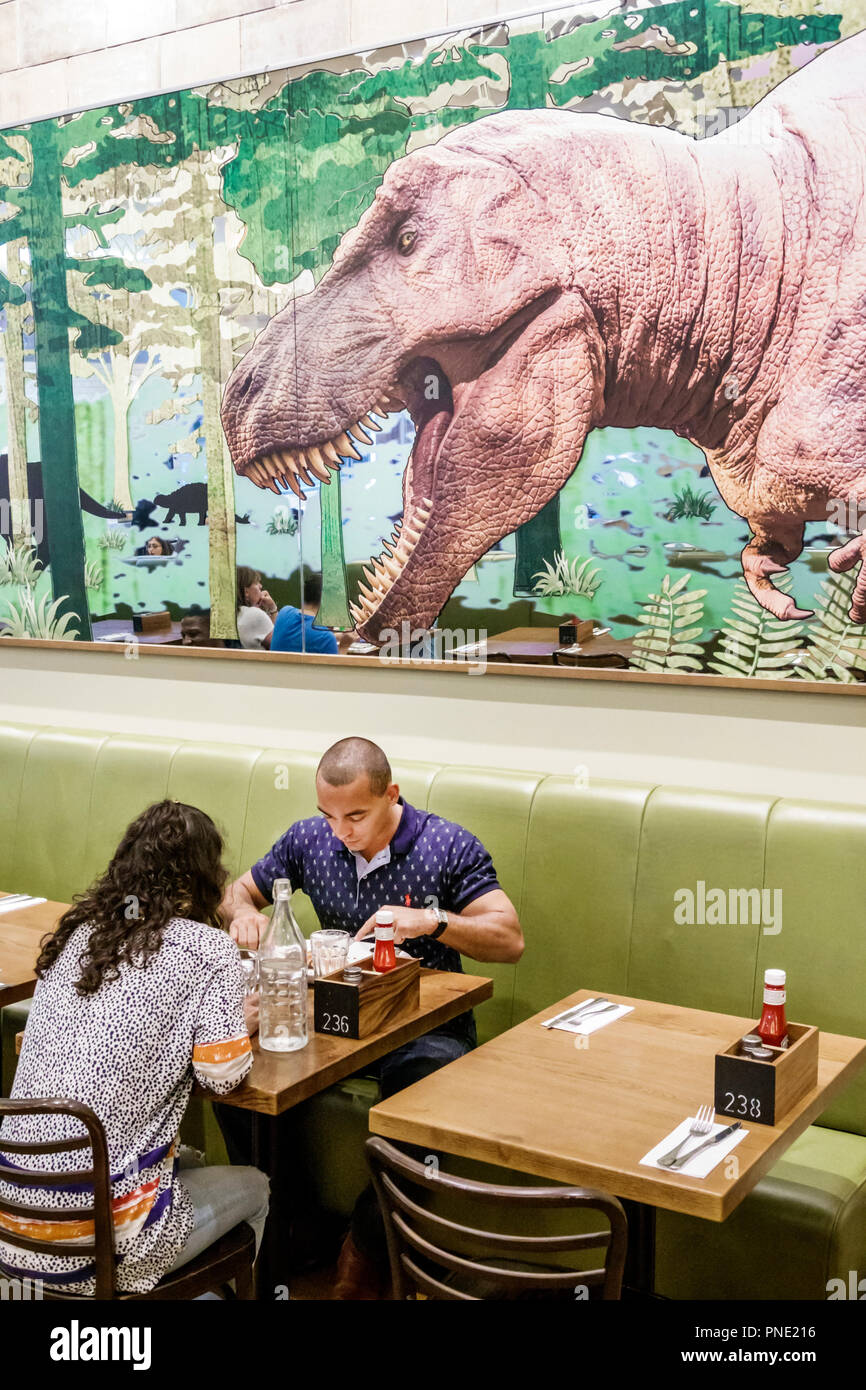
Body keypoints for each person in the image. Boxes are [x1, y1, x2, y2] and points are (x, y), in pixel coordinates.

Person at [221, 736, 523, 1297]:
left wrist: (429, 920)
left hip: (424, 1023)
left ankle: (365, 1241)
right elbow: (236, 891)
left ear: (392, 795)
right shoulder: (309, 839)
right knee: (233, 1069)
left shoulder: (448, 845)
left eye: (356, 815)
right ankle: (298, 1227)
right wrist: (243, 916)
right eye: (329, 816)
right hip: (331, 1015)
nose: (342, 831)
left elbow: (509, 940)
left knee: (426, 1087)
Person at [0, 801, 268, 1296]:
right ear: (204, 876)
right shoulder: (207, 949)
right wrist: (241, 1026)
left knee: (187, 1160)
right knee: (257, 1186)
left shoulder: (81, 935)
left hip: (13, 1225)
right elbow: (222, 1076)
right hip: (101, 1247)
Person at [270, 573, 339, 655]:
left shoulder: (284, 613)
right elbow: (337, 667)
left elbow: (301, 634)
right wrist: (345, 645)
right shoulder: (326, 638)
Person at [236, 566, 277, 650]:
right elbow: (279, 645)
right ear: (246, 592)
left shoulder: (238, 614)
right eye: (256, 582)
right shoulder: (254, 614)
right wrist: (273, 609)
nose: (261, 586)